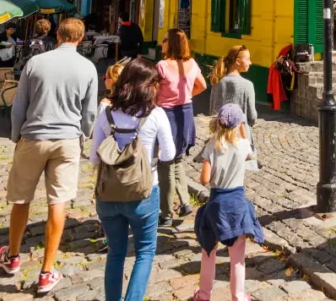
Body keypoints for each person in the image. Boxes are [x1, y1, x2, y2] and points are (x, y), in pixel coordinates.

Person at [0, 18, 98, 294]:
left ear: (58, 35)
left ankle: (13, 255)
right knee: (58, 202)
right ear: (81, 38)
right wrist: (83, 136)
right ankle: (46, 270)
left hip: (34, 135)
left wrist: (16, 135)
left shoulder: (36, 63)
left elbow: (20, 105)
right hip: (67, 139)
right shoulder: (88, 67)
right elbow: (89, 113)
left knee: (21, 199)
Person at [90, 57, 174, 301]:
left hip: (108, 194)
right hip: (143, 193)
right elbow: (169, 154)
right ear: (148, 85)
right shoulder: (156, 115)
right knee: (145, 252)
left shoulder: (106, 114)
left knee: (115, 253)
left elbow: (94, 158)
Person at [193, 103, 265, 301]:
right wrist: (243, 131)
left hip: (216, 204)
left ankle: (204, 294)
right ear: (239, 124)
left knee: (208, 251)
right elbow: (250, 155)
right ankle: (238, 296)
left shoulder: (212, 146)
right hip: (237, 205)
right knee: (237, 257)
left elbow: (205, 180)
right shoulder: (243, 145)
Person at [157, 29, 206, 224]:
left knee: (165, 164)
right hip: (185, 113)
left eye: (164, 40)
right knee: (176, 160)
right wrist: (186, 95)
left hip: (166, 115)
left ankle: (166, 213)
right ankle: (185, 202)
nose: (162, 43)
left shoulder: (162, 65)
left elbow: (153, 90)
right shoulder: (192, 63)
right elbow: (202, 85)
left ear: (172, 43)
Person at [208, 45, 258, 171]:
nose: (250, 62)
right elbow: (252, 116)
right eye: (248, 59)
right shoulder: (247, 85)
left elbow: (212, 110)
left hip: (220, 133)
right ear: (237, 61)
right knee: (238, 170)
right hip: (240, 134)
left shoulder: (217, 83)